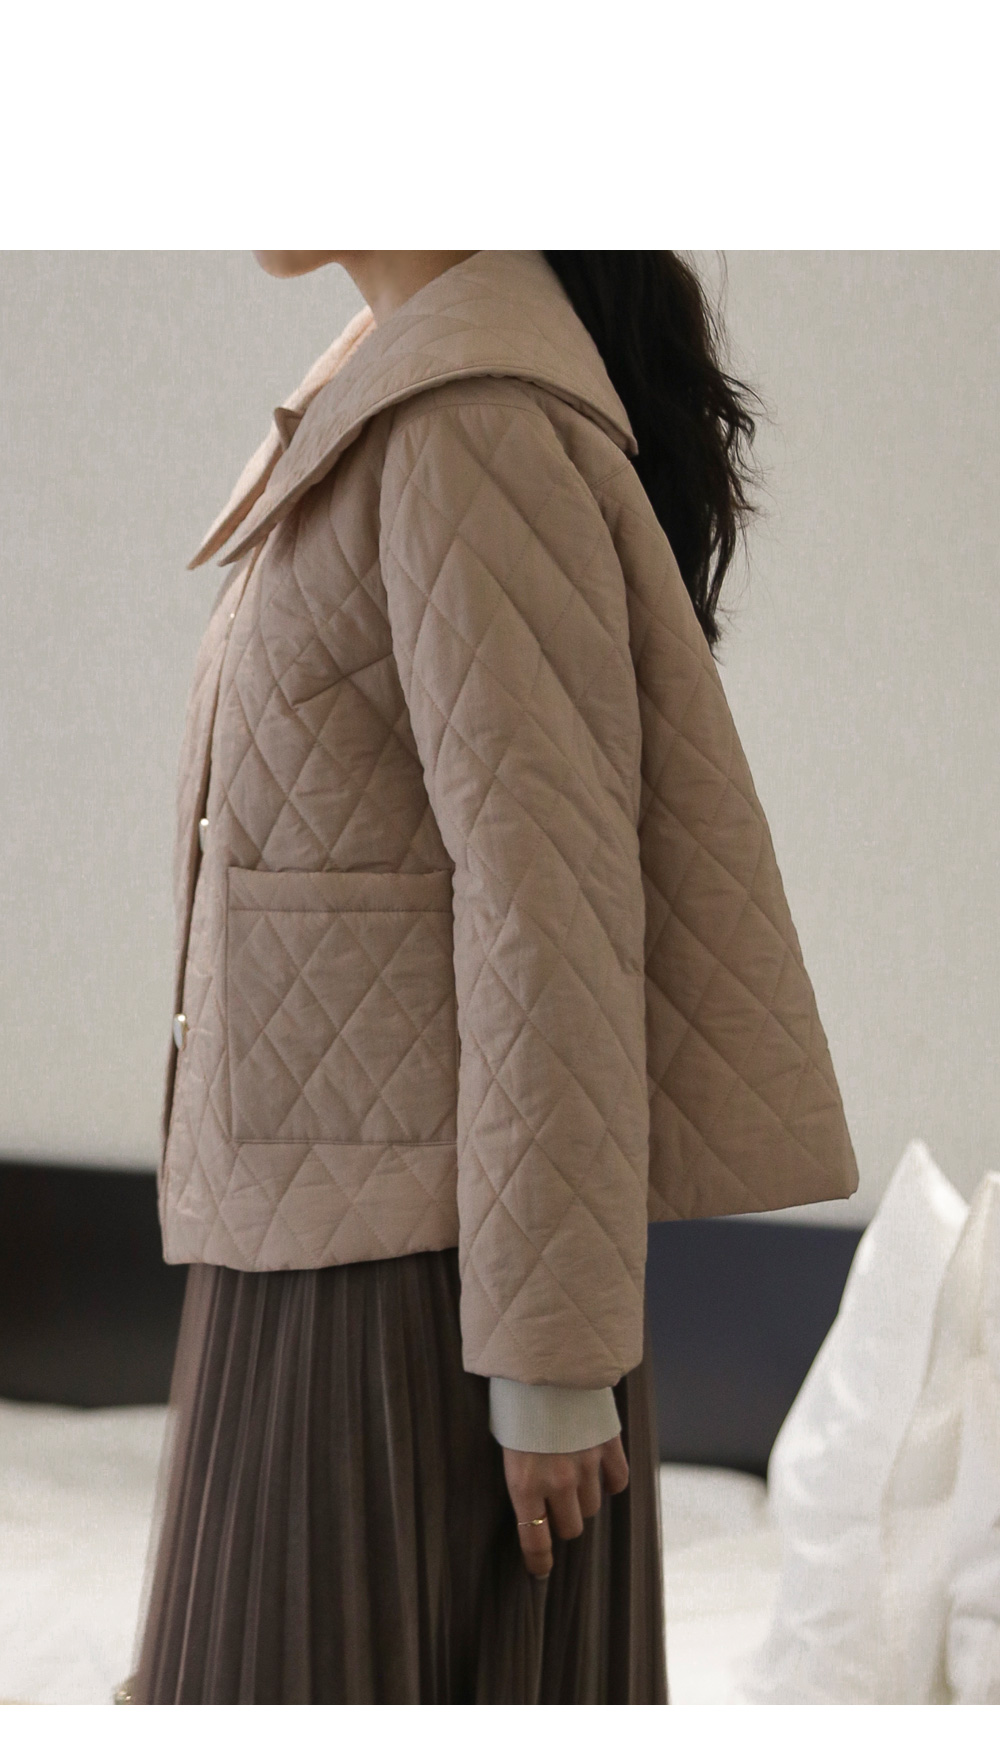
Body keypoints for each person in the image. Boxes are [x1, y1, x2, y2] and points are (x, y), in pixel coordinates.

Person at [121, 250, 858, 1705]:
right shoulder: (392, 384)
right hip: (325, 1247)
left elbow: (552, 911)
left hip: (417, 1305)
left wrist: (551, 1361)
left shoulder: (470, 424)